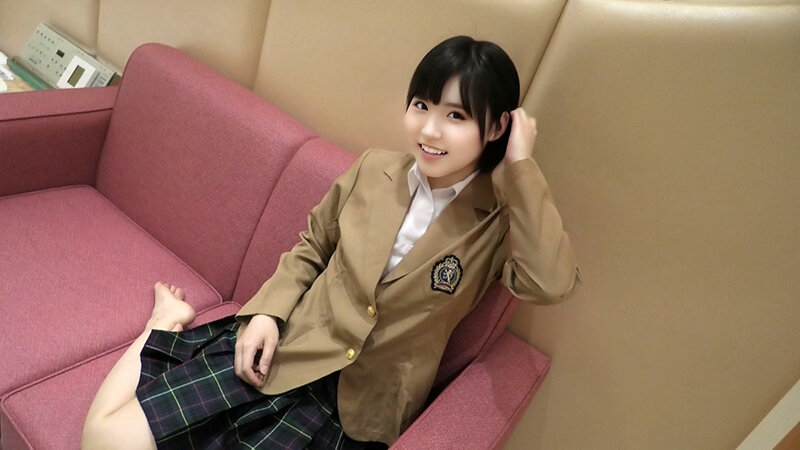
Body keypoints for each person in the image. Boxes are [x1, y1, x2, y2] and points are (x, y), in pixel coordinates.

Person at [81, 35, 580, 449]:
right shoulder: (373, 170)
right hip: (287, 349)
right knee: (102, 441)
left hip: (360, 410)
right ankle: (162, 322)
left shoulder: (496, 222)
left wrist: (520, 166)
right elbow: (312, 247)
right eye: (422, 106)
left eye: (456, 116)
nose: (429, 130)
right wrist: (266, 313)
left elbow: (550, 283)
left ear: (496, 127)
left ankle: (167, 324)